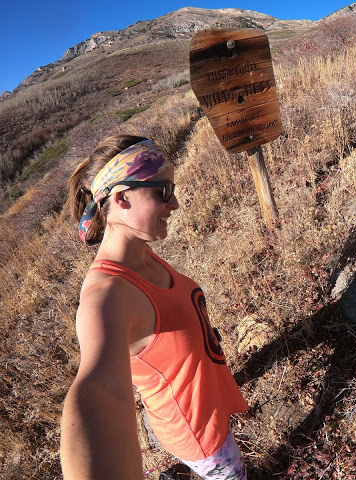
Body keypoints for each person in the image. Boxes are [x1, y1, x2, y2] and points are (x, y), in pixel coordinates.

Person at [61, 135, 249, 480]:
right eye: (163, 191)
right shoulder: (106, 296)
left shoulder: (138, 253)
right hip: (196, 432)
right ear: (121, 198)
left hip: (203, 407)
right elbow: (98, 394)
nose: (175, 203)